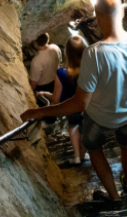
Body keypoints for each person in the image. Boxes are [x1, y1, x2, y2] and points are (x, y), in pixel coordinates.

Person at [21, 0, 127, 200]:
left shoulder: (94, 54)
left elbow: (80, 103)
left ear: (97, 17)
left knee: (94, 148)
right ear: (123, 11)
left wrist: (39, 111)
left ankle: (115, 198)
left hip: (99, 118)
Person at [37, 35, 89, 165]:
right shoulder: (91, 69)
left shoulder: (61, 73)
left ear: (67, 53)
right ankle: (84, 154)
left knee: (73, 126)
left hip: (70, 107)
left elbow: (55, 98)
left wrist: (44, 93)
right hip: (88, 106)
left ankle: (77, 157)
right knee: (85, 127)